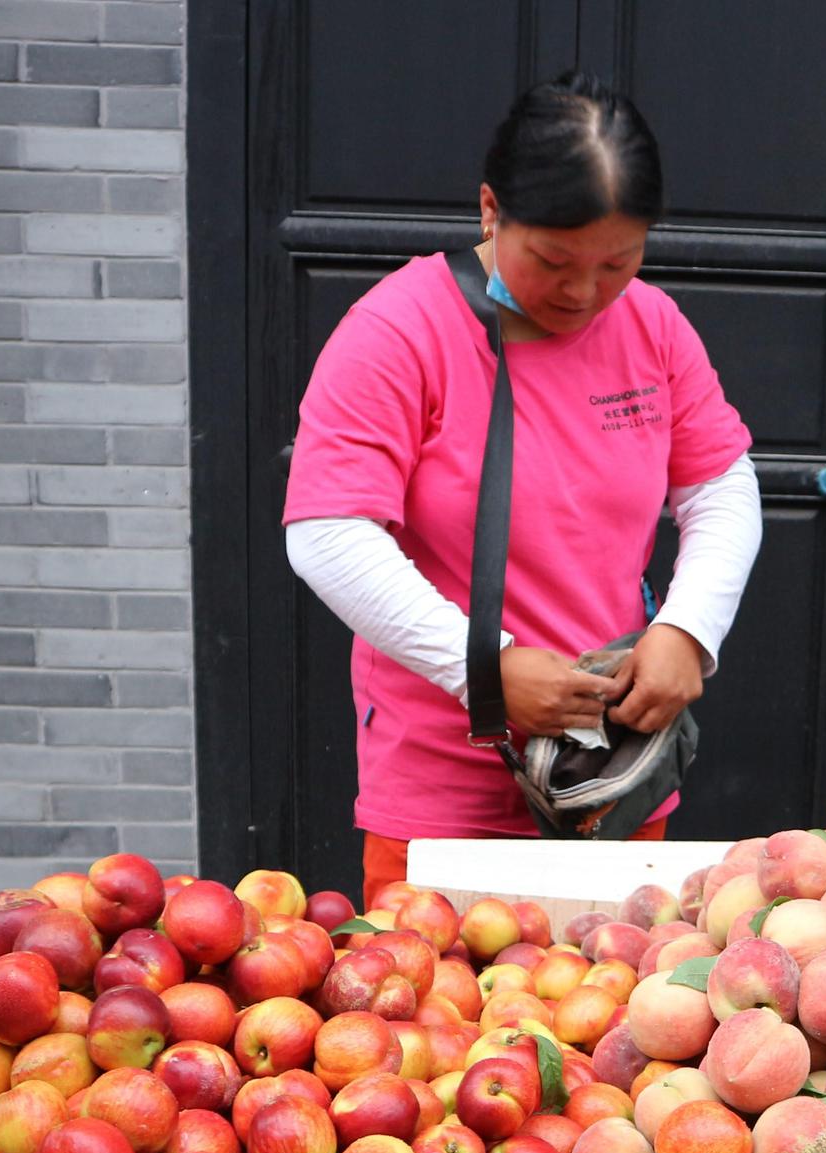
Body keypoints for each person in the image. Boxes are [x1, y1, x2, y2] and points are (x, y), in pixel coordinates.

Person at [285, 72, 763, 909]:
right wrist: (488, 670)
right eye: (552, 260)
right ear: (488, 211)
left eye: (618, 262)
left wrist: (688, 631)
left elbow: (720, 484)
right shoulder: (399, 333)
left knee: (621, 1021)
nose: (583, 294)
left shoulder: (651, 327)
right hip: (446, 788)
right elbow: (328, 532)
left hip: (613, 775)